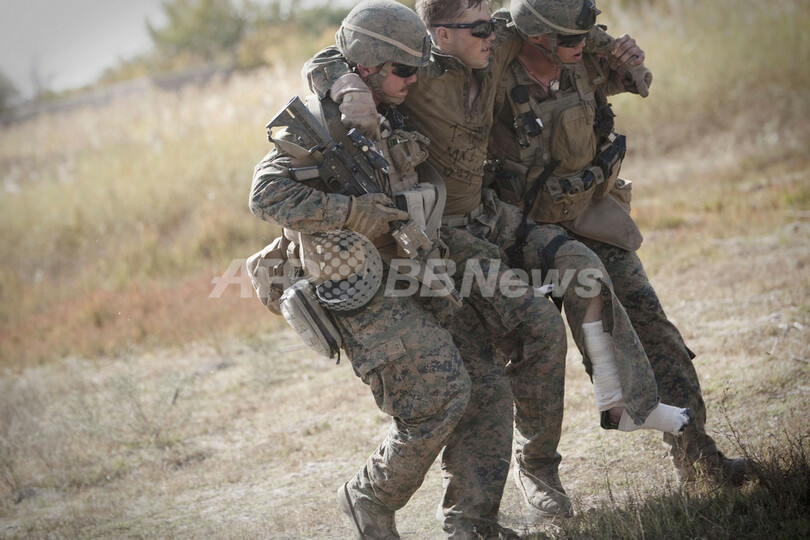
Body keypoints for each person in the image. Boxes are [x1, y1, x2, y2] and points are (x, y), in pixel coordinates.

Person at [303, 0, 691, 524]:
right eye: (481, 25)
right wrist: (344, 85)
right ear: (438, 35)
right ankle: (527, 478)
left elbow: (563, 30)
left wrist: (616, 50)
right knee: (518, 342)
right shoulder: (417, 72)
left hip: (491, 216)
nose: (494, 32)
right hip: (442, 239)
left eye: (493, 21)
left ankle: (625, 405)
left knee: (583, 269)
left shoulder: (495, 40)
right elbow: (344, 51)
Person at [248, 2, 539, 538]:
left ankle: (473, 524)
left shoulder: (392, 108)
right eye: (404, 70)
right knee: (442, 395)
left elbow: (335, 58)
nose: (414, 79)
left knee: (488, 388)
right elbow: (264, 195)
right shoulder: (321, 126)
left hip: (416, 277)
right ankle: (368, 499)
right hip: (359, 293)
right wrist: (348, 212)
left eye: (415, 69)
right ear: (366, 69)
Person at [487, 0, 751, 487]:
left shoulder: (584, 56)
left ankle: (696, 460)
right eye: (569, 38)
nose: (581, 43)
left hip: (590, 218)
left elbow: (635, 79)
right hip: (521, 237)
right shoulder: (491, 68)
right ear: (535, 37)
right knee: (533, 358)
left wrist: (631, 60)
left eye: (584, 35)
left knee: (653, 328)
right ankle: (537, 476)